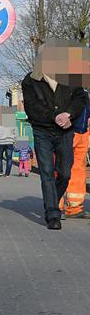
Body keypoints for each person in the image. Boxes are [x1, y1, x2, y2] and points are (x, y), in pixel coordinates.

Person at [21, 52, 89, 229]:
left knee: (65, 172)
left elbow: (81, 98)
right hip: (42, 130)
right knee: (47, 173)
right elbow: (32, 107)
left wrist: (69, 114)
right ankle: (52, 215)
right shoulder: (30, 80)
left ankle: (53, 201)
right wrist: (55, 117)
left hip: (65, 131)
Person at [60, 87, 90, 218]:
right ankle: (56, 207)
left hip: (82, 132)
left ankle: (75, 207)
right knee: (61, 168)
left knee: (78, 170)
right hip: (66, 132)